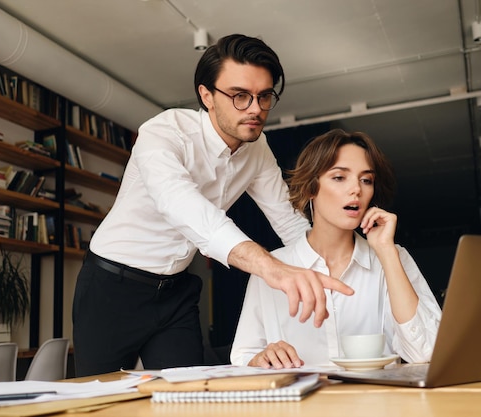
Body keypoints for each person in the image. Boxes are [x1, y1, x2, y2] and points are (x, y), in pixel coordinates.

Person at [72, 34, 353, 376]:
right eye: (240, 96)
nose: (255, 109)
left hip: (176, 291)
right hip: (111, 286)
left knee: (191, 395)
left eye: (264, 96)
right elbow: (186, 210)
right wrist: (272, 268)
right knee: (95, 398)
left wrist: (344, 263)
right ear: (207, 96)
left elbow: (289, 222)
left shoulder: (257, 147)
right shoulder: (163, 134)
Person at [230, 129, 442, 368]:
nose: (356, 190)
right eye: (339, 177)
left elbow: (428, 352)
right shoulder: (272, 267)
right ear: (311, 187)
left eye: (366, 180)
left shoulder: (393, 257)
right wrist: (262, 358)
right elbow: (243, 356)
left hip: (379, 403)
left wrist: (386, 252)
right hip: (301, 404)